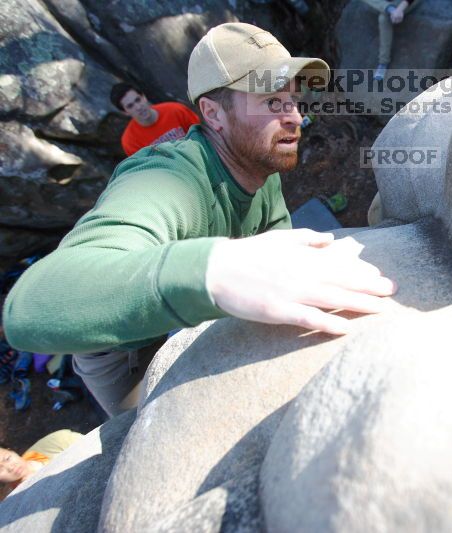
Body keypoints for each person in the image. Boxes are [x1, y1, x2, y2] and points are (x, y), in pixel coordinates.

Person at [2, 23, 396, 417]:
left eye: (293, 99)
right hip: (120, 347)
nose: (293, 115)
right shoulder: (170, 178)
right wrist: (215, 271)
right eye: (271, 101)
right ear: (212, 113)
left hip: (188, 311)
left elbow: (280, 255)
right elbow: (31, 307)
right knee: (140, 430)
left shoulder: (261, 166)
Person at [110, 82, 201, 156]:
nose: (138, 107)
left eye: (138, 100)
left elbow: (203, 134)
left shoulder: (176, 110)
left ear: (144, 97)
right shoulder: (130, 141)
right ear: (125, 112)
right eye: (130, 106)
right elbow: (147, 168)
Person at [0, 430, 83, 492]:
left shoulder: (59, 441)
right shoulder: (11, 505)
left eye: (7, 458)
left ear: (11, 451)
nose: (10, 467)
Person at [359, 0, 422, 80]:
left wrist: (399, 10)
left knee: (383, 18)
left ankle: (383, 63)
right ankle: (389, 8)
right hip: (388, 3)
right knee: (386, 13)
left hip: (405, 2)